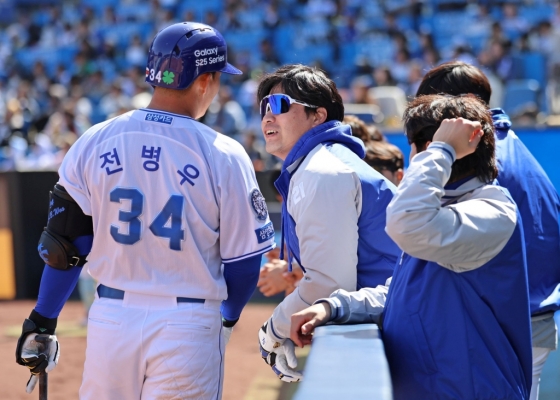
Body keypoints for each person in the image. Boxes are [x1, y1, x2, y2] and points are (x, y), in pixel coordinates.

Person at [15, 22, 276, 400]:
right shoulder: (224, 152)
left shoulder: (96, 138)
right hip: (188, 322)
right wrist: (228, 318)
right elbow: (244, 264)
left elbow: (64, 244)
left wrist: (42, 318)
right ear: (204, 81)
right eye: (217, 79)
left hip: (111, 319)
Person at [291, 94, 532, 399]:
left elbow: (406, 221)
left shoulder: (492, 210)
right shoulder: (443, 207)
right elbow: (404, 293)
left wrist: (441, 149)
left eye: (416, 147)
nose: (412, 158)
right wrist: (336, 306)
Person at [415, 61, 560, 400]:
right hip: (525, 317)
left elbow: (423, 231)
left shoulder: (483, 155)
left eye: (434, 109)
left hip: (502, 325)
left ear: (464, 102)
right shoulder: (509, 144)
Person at [256, 64, 400, 382]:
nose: (267, 116)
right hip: (391, 318)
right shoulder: (321, 163)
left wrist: (272, 330)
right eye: (263, 107)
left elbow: (329, 284)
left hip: (401, 328)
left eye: (279, 105)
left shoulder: (323, 171)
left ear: (318, 116)